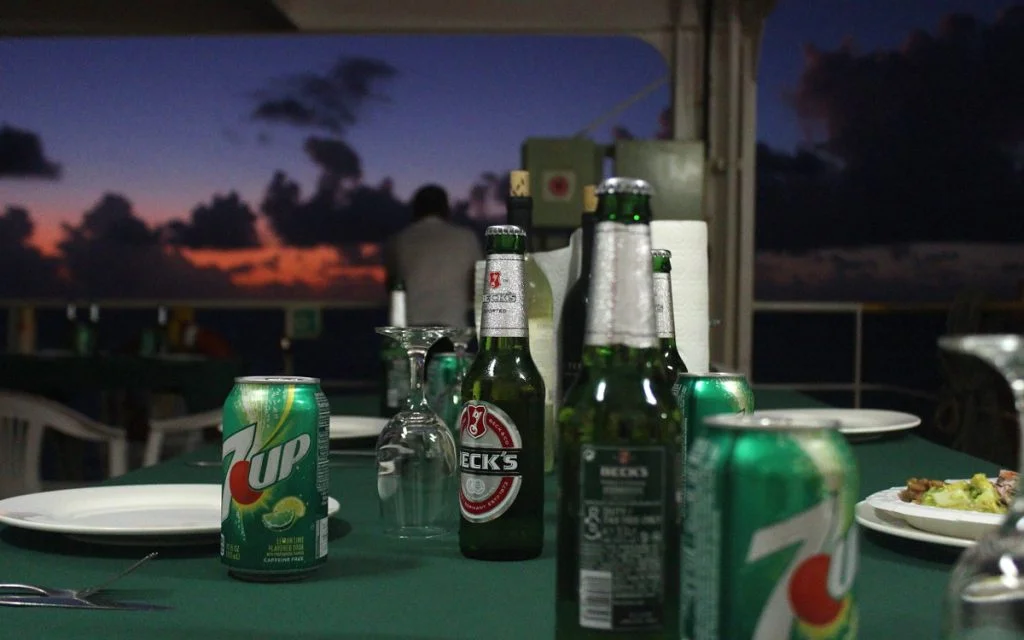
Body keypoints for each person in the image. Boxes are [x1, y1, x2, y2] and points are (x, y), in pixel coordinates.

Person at [384, 184, 483, 331]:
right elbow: (479, 286)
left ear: (415, 209)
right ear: (446, 209)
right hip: (453, 328)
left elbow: (393, 286)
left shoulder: (398, 240)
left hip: (411, 330)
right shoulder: (467, 238)